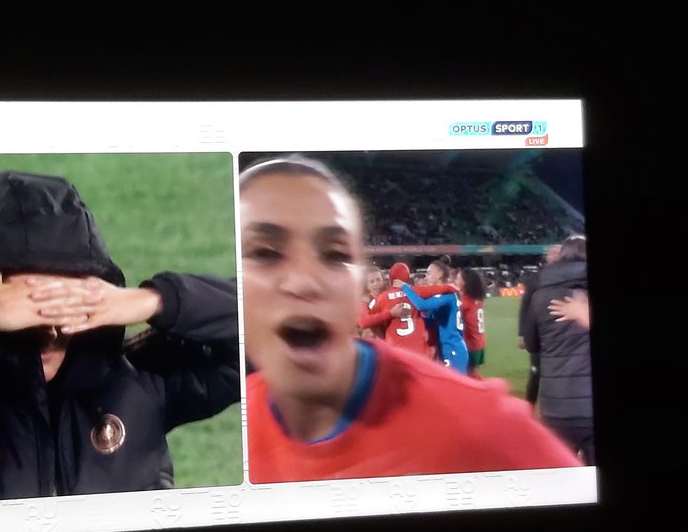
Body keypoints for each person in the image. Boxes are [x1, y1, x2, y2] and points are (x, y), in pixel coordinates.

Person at [0, 170, 241, 506]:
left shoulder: (137, 384)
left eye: (65, 303)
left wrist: (153, 301)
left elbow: (277, 327)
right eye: (32, 305)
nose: (50, 332)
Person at [238, 154, 583, 484]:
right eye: (265, 253)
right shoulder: (233, 428)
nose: (302, 280)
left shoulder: (480, 423)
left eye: (334, 254)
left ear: (360, 279)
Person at [519, 235, 593, 465]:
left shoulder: (540, 293)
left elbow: (532, 345)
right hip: (589, 405)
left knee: (563, 481)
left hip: (555, 404)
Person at [397, 259, 469, 375]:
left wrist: (406, 288)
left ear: (439, 274)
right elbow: (431, 321)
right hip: (446, 348)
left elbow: (422, 305)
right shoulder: (445, 294)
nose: (426, 277)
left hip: (453, 349)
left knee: (455, 391)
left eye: (429, 273)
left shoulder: (446, 295)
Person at [518, 243, 561, 407]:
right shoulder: (535, 279)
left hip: (558, 333)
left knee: (557, 373)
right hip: (537, 333)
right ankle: (529, 406)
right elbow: (525, 307)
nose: (555, 256)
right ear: (548, 257)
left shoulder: (566, 278)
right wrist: (522, 333)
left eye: (558, 254)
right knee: (536, 372)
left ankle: (554, 405)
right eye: (553, 254)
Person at [381, 262, 432, 358]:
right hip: (418, 349)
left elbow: (365, 321)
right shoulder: (419, 293)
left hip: (395, 350)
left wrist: (389, 314)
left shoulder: (383, 298)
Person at [455, 266, 487, 378]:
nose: (455, 281)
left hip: (470, 345)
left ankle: (486, 393)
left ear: (465, 283)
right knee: (472, 373)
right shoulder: (477, 300)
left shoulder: (464, 302)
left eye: (457, 279)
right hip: (480, 343)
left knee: (468, 376)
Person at [357, 266, 391, 339]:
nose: (376, 284)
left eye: (378, 280)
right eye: (372, 281)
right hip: (374, 342)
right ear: (367, 285)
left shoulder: (391, 296)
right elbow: (363, 322)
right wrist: (390, 313)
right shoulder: (364, 301)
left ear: (383, 281)